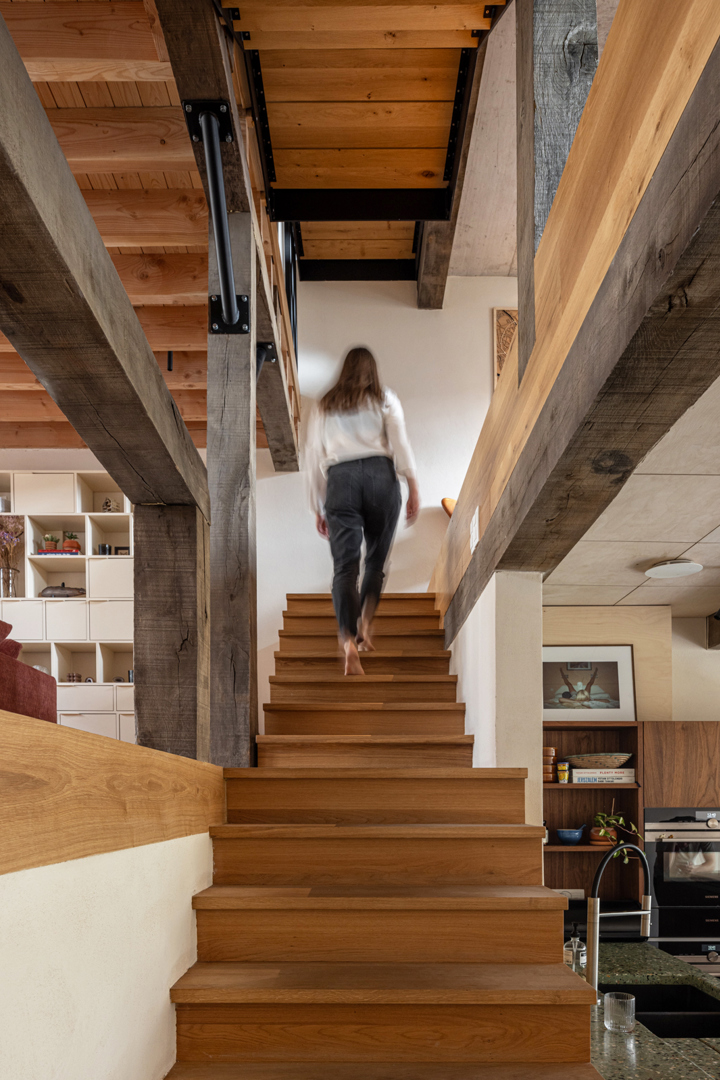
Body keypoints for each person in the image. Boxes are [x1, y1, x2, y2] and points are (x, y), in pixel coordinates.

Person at [307, 346, 420, 675]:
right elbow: (400, 442)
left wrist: (317, 506)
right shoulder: (385, 398)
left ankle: (348, 642)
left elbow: (313, 455)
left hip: (340, 480)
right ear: (373, 371)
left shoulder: (325, 404)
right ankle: (366, 623)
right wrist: (413, 486)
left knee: (344, 567)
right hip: (380, 478)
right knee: (376, 560)